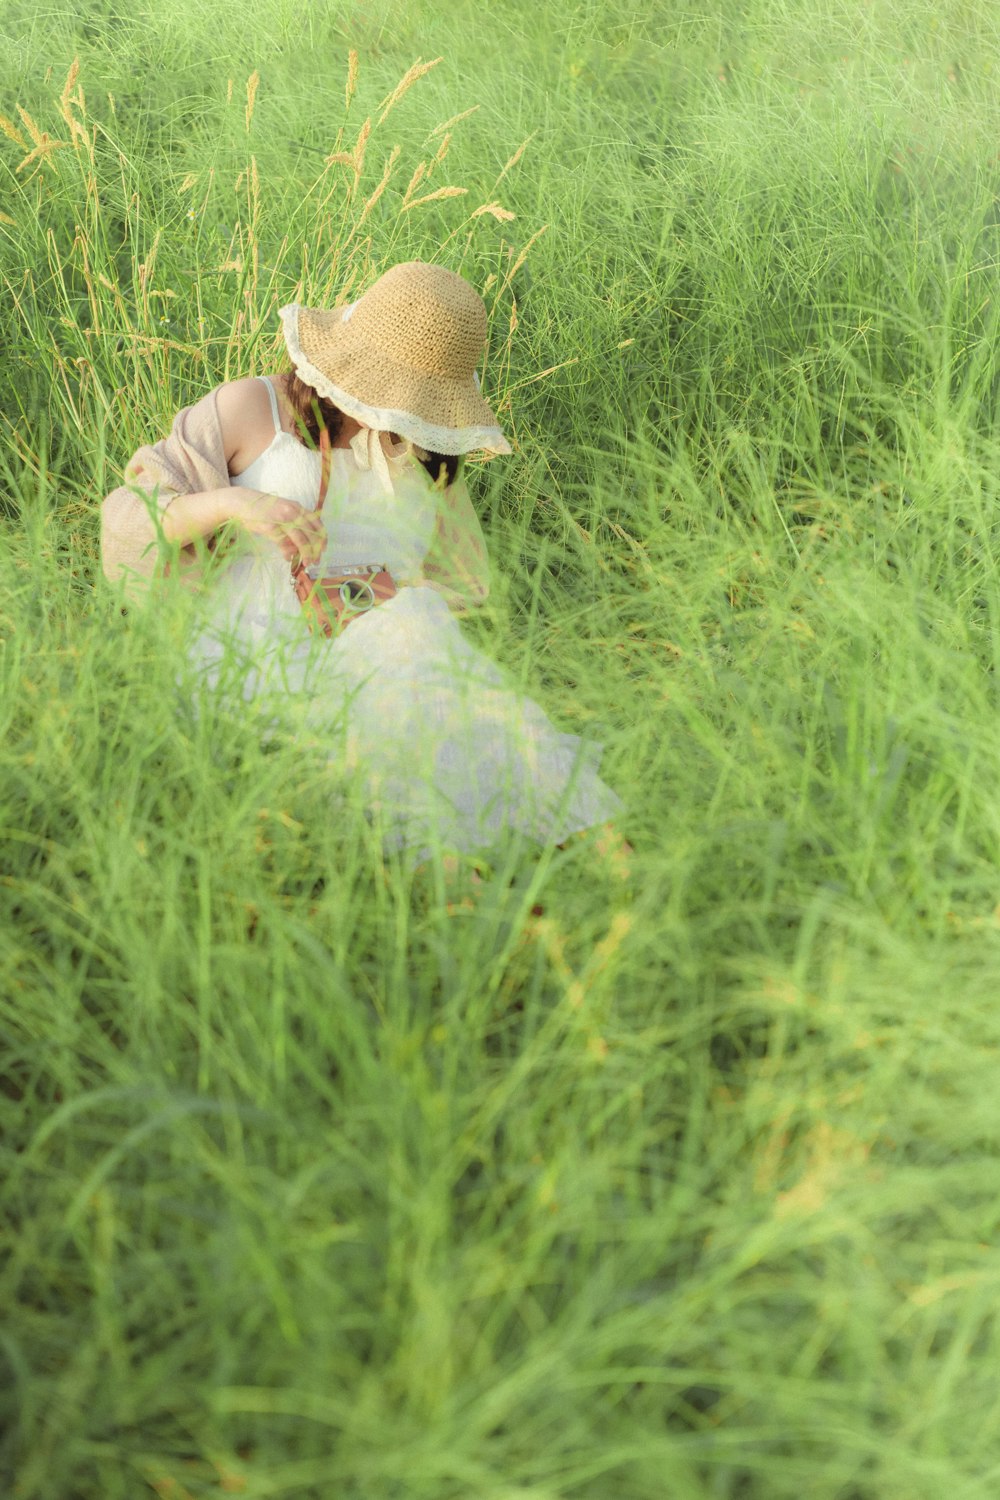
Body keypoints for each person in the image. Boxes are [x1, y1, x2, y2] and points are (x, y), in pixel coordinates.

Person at [102, 261, 624, 862]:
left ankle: (612, 859)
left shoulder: (422, 449)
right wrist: (235, 503)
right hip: (256, 648)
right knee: (399, 696)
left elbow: (458, 579)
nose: (393, 416)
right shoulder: (254, 407)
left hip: (390, 646)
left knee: (450, 672)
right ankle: (460, 884)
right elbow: (135, 516)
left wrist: (375, 595)